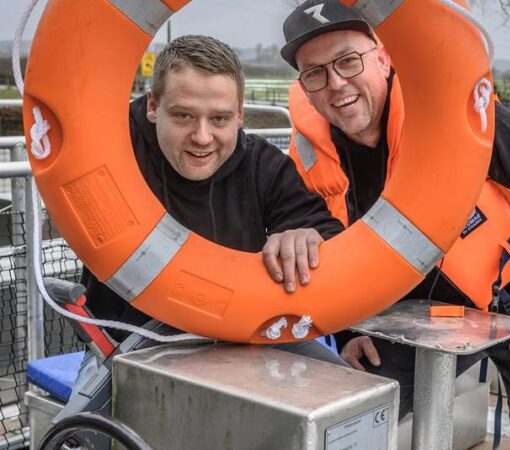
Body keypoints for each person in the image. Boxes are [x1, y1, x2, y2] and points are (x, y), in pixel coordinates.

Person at [279, 2, 510, 449]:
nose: (336, 84)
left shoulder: (454, 118)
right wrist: (348, 330)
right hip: (424, 312)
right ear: (304, 87)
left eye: (347, 60)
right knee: (344, 424)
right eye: (315, 73)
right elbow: (328, 257)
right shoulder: (308, 160)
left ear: (383, 57)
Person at [66, 35, 347, 445]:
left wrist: (305, 236)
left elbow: (324, 230)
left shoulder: (263, 167)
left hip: (239, 349)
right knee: (73, 438)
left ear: (239, 117)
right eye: (182, 116)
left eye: (218, 119)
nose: (201, 137)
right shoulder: (111, 146)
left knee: (345, 402)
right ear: (151, 107)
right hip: (125, 353)